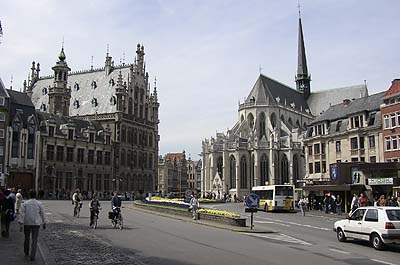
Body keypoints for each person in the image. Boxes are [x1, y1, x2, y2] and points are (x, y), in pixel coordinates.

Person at [19, 190, 46, 261]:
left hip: (27, 222)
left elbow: (22, 214)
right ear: (36, 195)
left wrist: (21, 222)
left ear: (29, 195)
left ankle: (26, 251)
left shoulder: (25, 203)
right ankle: (32, 255)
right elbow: (42, 214)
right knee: (34, 239)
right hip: (36, 223)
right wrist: (44, 222)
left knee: (27, 238)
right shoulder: (39, 203)